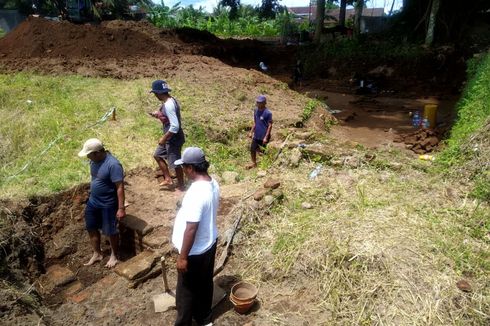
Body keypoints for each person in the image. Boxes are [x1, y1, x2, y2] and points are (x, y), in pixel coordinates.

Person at [171, 147, 219, 326]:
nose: (183, 170)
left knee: (185, 292)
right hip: (209, 242)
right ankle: (204, 318)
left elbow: (191, 228)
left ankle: (184, 323)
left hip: (194, 250)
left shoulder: (196, 193)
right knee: (205, 282)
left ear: (190, 168)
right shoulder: (212, 183)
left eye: (184, 167)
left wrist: (183, 257)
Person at [78, 138, 125, 268]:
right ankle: (97, 253)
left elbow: (120, 187)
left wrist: (121, 208)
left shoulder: (113, 165)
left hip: (108, 204)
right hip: (93, 201)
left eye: (89, 154)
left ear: (97, 153)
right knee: (91, 227)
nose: (88, 157)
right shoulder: (93, 161)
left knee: (110, 231)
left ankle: (114, 255)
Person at [149, 79, 186, 191]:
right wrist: (159, 115)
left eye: (155, 93)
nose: (155, 95)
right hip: (170, 137)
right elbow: (168, 118)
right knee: (157, 155)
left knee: (175, 163)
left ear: (160, 93)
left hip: (173, 138)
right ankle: (168, 179)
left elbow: (175, 126)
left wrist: (164, 138)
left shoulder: (169, 105)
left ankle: (181, 187)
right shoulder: (168, 101)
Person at [247, 95, 273, 169]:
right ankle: (254, 163)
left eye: (260, 102)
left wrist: (266, 137)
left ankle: (266, 165)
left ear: (264, 103)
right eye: (257, 102)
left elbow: (270, 126)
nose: (258, 104)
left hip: (264, 136)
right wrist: (251, 132)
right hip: (256, 135)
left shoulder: (268, 113)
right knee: (252, 148)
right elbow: (255, 122)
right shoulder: (256, 111)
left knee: (264, 151)